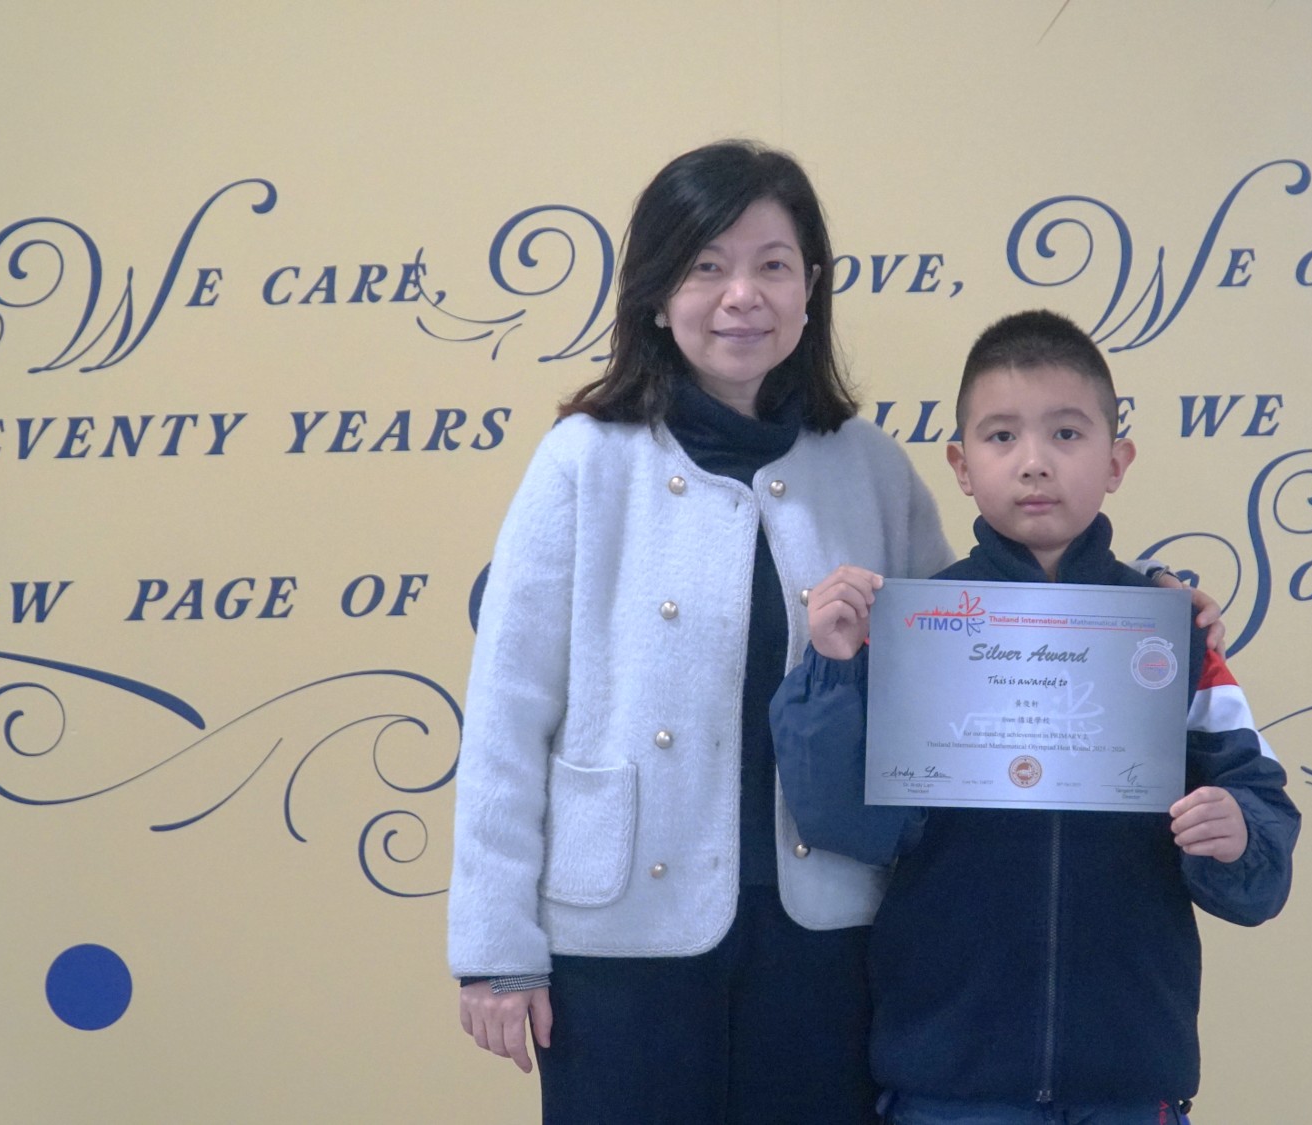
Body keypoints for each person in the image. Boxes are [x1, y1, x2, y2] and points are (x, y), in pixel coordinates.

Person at [447, 142, 1227, 1125]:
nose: (742, 296)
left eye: (772, 265)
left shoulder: (867, 467)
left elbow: (984, 644)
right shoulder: (582, 463)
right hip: (619, 934)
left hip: (828, 938)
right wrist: (495, 950)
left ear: (811, 289)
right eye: (706, 265)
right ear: (654, 292)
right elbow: (508, 715)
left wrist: (1139, 609)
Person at [771, 309, 1300, 1125]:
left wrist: (1239, 831)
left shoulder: (1173, 630)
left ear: (1117, 460)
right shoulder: (913, 629)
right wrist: (833, 666)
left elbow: (1261, 854)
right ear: (960, 464)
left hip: (1127, 1075)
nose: (1034, 461)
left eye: (1066, 433)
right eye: (1001, 435)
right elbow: (848, 823)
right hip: (949, 1073)